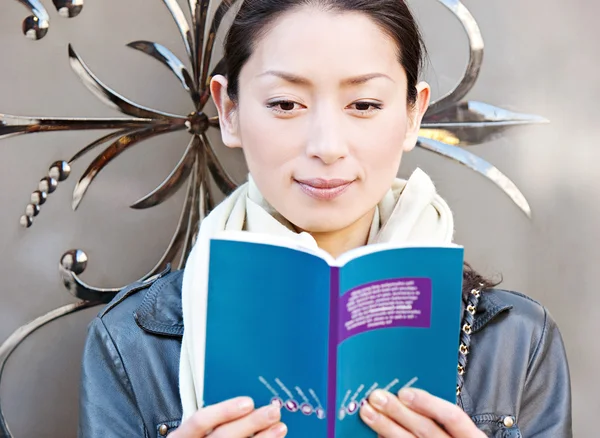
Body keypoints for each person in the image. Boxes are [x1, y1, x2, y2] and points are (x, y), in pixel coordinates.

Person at [78, 0, 573, 437]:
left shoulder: (517, 342)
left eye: (364, 104)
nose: (327, 146)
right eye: (286, 104)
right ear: (228, 110)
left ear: (412, 114)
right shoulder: (132, 344)